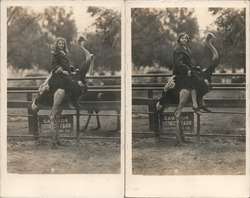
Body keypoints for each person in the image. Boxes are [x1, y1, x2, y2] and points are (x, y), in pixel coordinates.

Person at [32, 37, 77, 111]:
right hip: (58, 74)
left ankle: (69, 101)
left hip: (65, 74)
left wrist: (70, 69)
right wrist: (62, 71)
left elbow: (65, 64)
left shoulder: (64, 53)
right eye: (59, 43)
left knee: (74, 83)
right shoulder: (55, 53)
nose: (61, 45)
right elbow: (53, 64)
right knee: (68, 83)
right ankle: (38, 101)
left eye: (62, 43)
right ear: (57, 44)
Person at [173, 32, 201, 114]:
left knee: (199, 80)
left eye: (185, 38)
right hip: (180, 73)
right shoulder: (178, 49)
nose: (184, 40)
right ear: (179, 39)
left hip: (185, 72)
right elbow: (179, 63)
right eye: (182, 38)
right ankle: (195, 105)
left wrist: (194, 68)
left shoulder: (185, 48)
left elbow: (187, 63)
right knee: (193, 84)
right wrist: (187, 70)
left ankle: (198, 104)